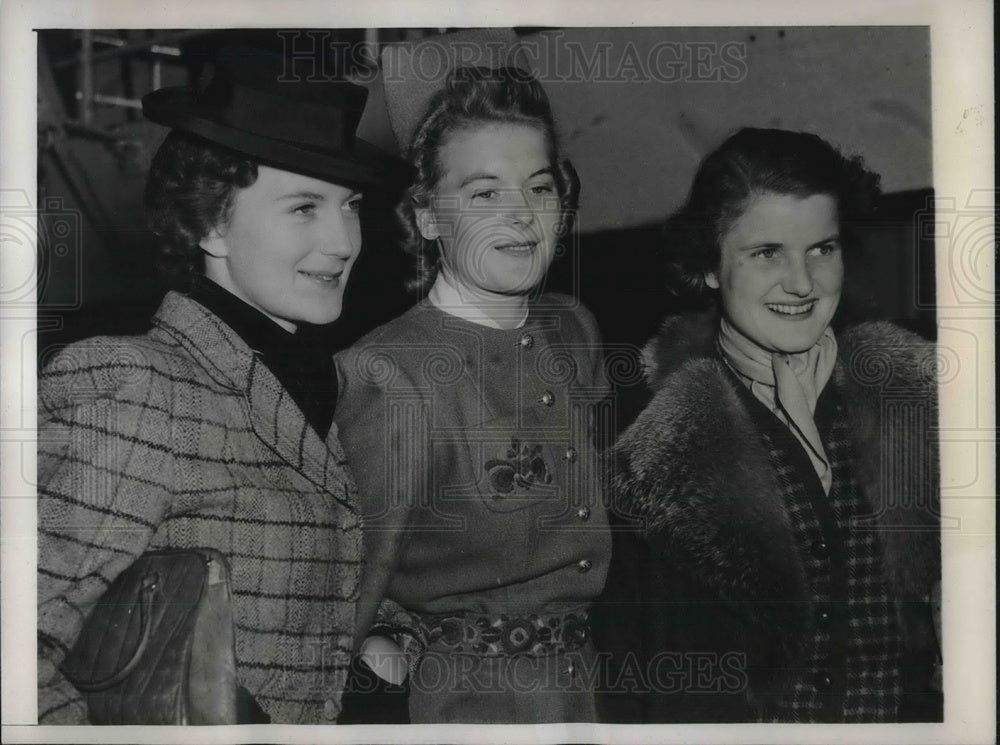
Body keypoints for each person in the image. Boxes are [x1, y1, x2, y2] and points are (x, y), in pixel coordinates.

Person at [37, 47, 418, 725]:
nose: (342, 242)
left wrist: (384, 631)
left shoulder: (312, 384)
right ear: (210, 221)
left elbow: (300, 569)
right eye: (304, 207)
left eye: (350, 206)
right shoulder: (136, 388)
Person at [594, 128, 940, 723]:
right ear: (707, 267)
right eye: (766, 253)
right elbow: (648, 686)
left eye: (821, 249)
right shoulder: (646, 446)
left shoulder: (925, 400)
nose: (802, 283)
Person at [333, 65, 611, 723]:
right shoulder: (389, 372)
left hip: (581, 693)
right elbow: (336, 590)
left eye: (539, 186)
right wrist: (374, 644)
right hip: (465, 706)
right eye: (483, 194)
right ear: (427, 216)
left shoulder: (572, 331)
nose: (521, 214)